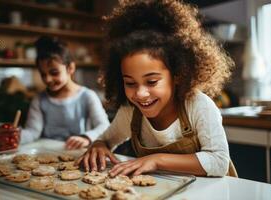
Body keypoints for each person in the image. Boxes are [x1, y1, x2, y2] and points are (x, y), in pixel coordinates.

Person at [76, 0, 237, 177]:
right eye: (130, 83)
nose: (140, 94)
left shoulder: (198, 105)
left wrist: (156, 159)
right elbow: (106, 139)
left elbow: (219, 162)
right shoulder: (131, 112)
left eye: (151, 82)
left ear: (178, 74)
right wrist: (99, 145)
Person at [20, 36, 110, 150]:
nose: (47, 79)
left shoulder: (87, 96)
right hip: (45, 155)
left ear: (70, 68)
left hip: (77, 154)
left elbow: (104, 126)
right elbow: (33, 131)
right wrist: (15, 136)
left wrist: (86, 137)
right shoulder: (39, 99)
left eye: (54, 72)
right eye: (43, 74)